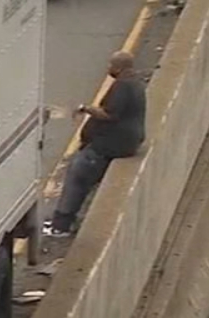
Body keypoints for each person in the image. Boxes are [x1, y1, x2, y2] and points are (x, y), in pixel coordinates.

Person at [45, 50, 147, 237]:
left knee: (78, 174)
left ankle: (61, 226)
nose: (108, 68)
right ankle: (63, 221)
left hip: (109, 146)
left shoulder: (123, 87)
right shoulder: (135, 84)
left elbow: (109, 114)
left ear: (120, 67)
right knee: (81, 175)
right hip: (123, 142)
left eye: (111, 65)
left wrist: (86, 109)